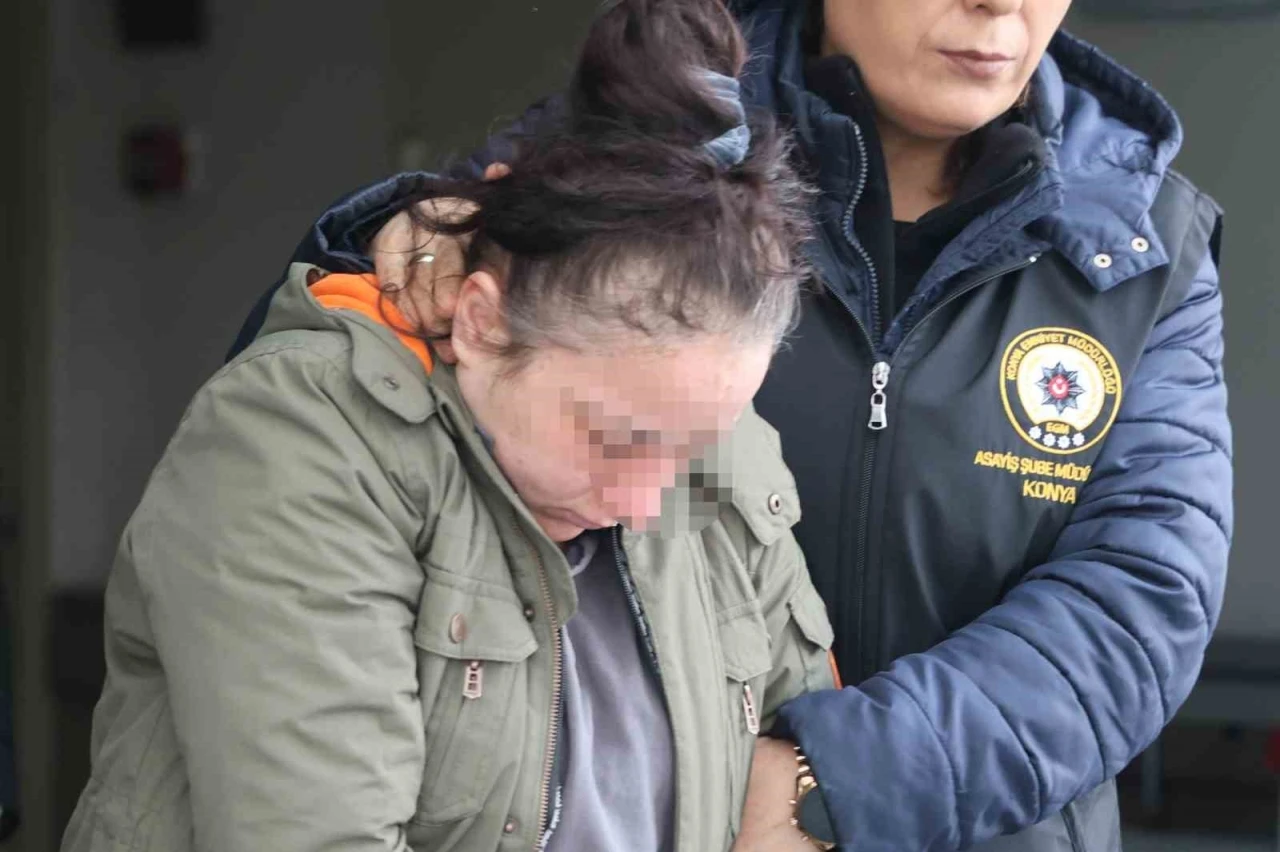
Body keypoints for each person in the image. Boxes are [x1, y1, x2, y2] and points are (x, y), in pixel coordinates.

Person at [232, 0, 1234, 849]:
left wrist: (836, 779)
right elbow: (307, 443)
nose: (998, 3)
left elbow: (1141, 600)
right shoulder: (635, 146)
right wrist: (391, 236)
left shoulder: (1140, 248)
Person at [61, 2, 841, 850]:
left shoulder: (714, 448)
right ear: (479, 323)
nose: (647, 500)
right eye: (612, 439)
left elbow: (807, 757)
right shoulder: (306, 441)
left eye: (690, 449)